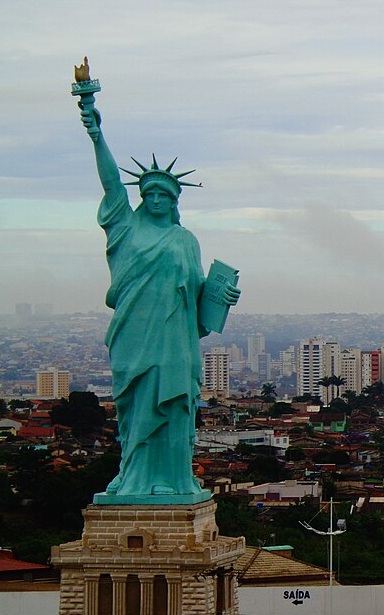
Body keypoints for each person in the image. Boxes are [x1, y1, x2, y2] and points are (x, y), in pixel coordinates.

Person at [80, 102, 240, 499]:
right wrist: (96, 133)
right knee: (134, 406)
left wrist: (223, 295)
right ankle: (132, 475)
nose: (154, 199)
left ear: (173, 201)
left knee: (174, 407)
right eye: (148, 193)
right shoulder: (125, 229)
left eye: (162, 195)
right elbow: (111, 183)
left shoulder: (185, 240)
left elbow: (199, 291)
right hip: (133, 333)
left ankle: (172, 479)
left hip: (175, 339)